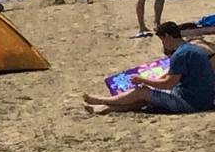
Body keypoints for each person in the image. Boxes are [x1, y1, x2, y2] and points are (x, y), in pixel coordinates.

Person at [82, 22, 215, 114]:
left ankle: (103, 100)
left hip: (191, 103)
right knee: (146, 98)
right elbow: (170, 75)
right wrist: (152, 84)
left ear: (167, 37)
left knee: (141, 92)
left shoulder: (180, 55)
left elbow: (168, 84)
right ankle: (106, 108)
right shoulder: (191, 48)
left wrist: (143, 80)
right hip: (203, 99)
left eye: (162, 40)